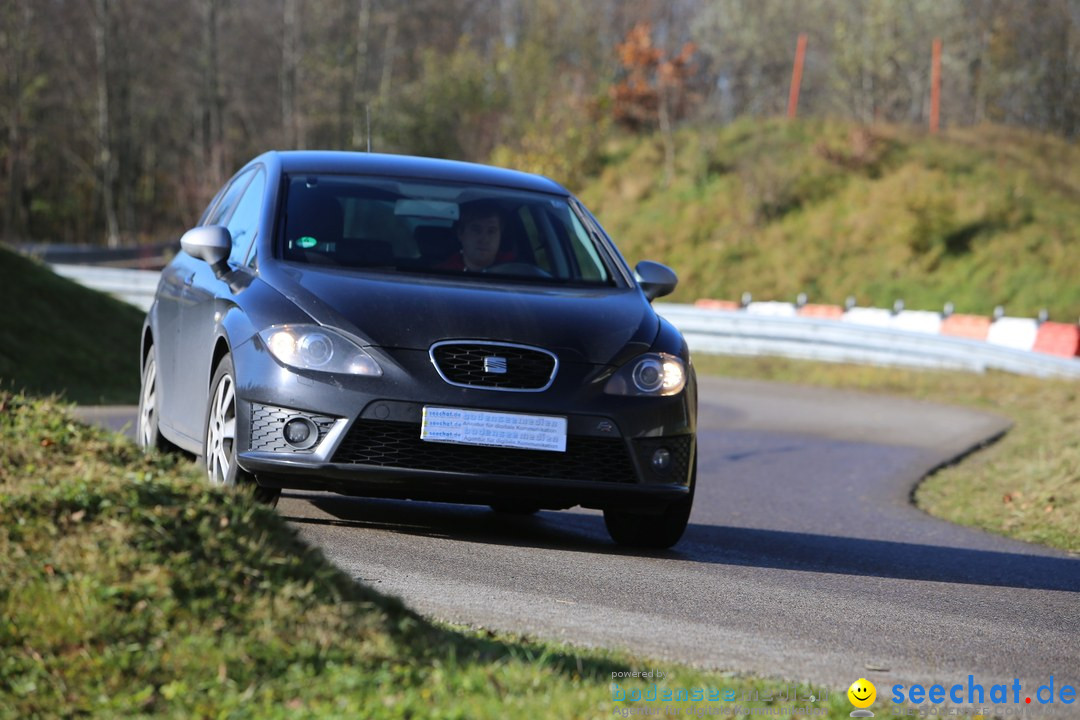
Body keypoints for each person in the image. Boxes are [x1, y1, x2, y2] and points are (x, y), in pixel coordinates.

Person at [436, 201, 515, 272]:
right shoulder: (443, 273)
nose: (484, 239)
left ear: (500, 235)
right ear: (460, 234)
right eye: (476, 230)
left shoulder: (515, 269)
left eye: (491, 231)